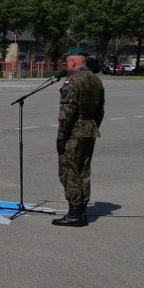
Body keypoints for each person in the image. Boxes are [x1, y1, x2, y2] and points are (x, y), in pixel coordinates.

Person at [53, 47, 105, 227]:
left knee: (70, 172)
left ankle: (74, 213)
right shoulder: (96, 81)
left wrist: (61, 137)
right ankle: (81, 211)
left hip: (74, 133)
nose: (66, 65)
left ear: (74, 62)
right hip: (89, 131)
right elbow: (100, 111)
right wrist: (91, 126)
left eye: (67, 62)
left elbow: (67, 112)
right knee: (83, 171)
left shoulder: (73, 82)